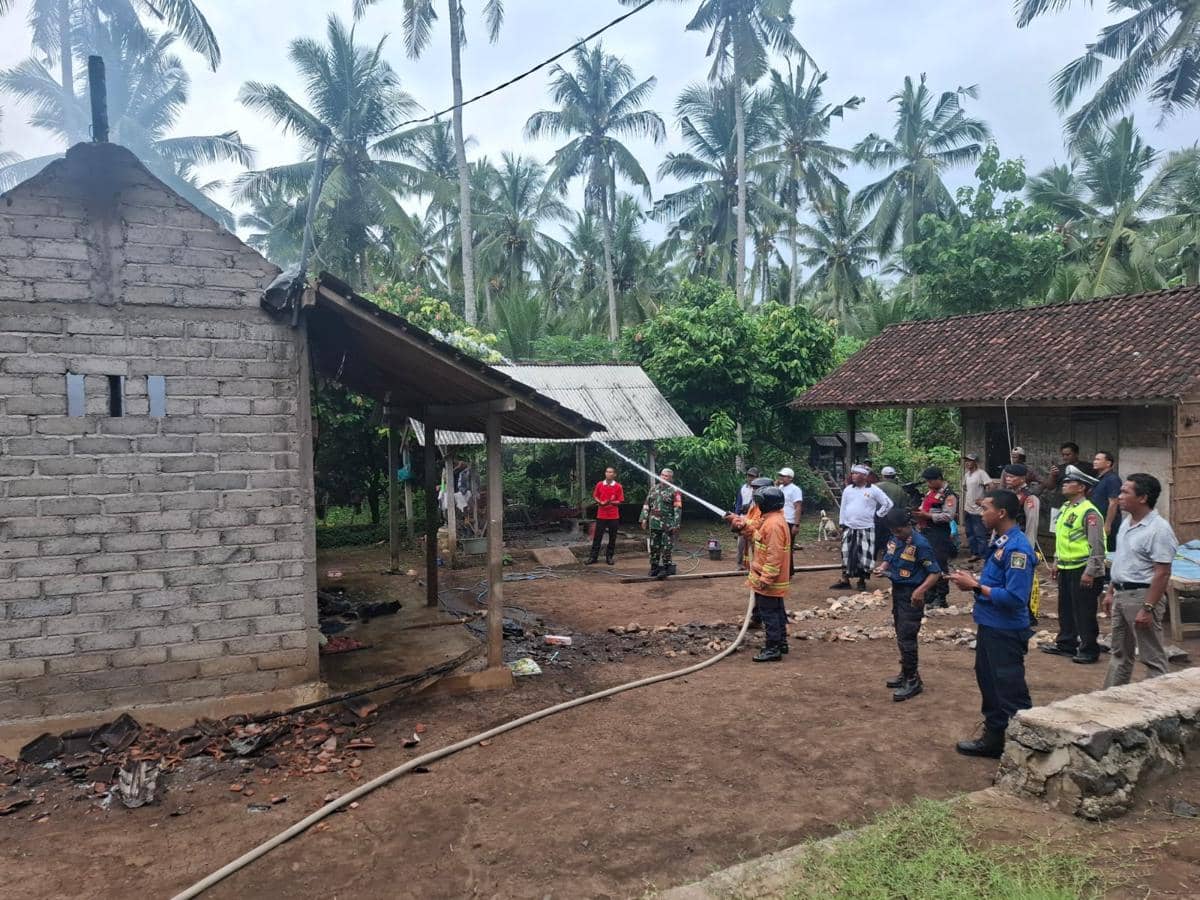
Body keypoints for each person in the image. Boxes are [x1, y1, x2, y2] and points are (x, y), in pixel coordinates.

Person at [948, 490, 1035, 758]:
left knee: (1010, 690)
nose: (980, 513)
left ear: (1001, 513)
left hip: (1006, 630)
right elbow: (995, 584)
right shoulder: (1000, 541)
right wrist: (975, 583)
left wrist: (976, 586)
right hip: (990, 624)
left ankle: (1026, 752)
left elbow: (1015, 598)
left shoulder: (1017, 548)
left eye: (985, 508)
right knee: (989, 683)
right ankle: (995, 739)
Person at [1103, 474, 1178, 688]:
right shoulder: (1127, 523)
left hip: (1141, 596)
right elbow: (1122, 560)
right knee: (1119, 653)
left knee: (1151, 656)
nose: (1120, 496)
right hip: (1121, 594)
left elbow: (1162, 572)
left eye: (1126, 492)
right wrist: (1110, 591)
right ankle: (1110, 700)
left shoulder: (1159, 529)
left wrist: (1148, 608)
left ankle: (1158, 705)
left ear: (1143, 498)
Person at [873, 506, 941, 702]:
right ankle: (905, 672)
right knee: (901, 634)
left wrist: (920, 591)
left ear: (907, 526)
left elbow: (935, 573)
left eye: (899, 531)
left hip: (913, 595)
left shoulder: (921, 544)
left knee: (908, 636)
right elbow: (889, 555)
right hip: (898, 591)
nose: (896, 534)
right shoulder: (896, 538)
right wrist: (883, 567)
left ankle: (913, 680)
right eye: (894, 531)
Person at [1040, 467, 1105, 664]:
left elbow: (1097, 544)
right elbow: (1062, 538)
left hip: (1083, 568)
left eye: (1070, 482)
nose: (1064, 484)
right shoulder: (1066, 508)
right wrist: (1056, 561)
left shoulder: (1090, 512)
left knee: (1084, 610)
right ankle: (1066, 643)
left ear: (1082, 488)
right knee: (1066, 608)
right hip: (1067, 567)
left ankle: (1089, 649)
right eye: (1065, 481)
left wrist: (1091, 571)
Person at [727, 486, 792, 662]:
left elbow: (774, 554)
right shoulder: (773, 520)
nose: (758, 505)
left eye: (760, 502)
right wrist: (741, 526)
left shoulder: (773, 525)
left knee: (769, 614)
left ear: (767, 503)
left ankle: (773, 649)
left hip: (770, 580)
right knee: (776, 611)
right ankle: (781, 643)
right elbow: (757, 537)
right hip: (773, 579)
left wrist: (766, 578)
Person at [832, 464, 893, 591]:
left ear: (864, 476)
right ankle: (845, 579)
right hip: (849, 526)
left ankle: (862, 580)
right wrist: (842, 523)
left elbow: (888, 503)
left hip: (866, 527)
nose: (853, 475)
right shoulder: (848, 490)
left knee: (865, 554)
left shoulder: (873, 490)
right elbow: (843, 507)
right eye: (853, 473)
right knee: (846, 553)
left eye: (856, 473)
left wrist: (878, 515)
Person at [1002, 462, 1044, 624]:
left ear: (1022, 478)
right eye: (1007, 476)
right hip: (1008, 542)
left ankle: (1026, 614)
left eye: (1012, 476)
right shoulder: (1010, 495)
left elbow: (1031, 525)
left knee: (1021, 579)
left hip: (1021, 544)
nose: (1008, 479)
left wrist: (1028, 547)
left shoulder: (1029, 497)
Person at [912, 467, 958, 609]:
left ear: (939, 478)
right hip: (926, 531)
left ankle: (941, 596)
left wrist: (929, 516)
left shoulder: (949, 495)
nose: (929, 484)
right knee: (926, 562)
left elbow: (948, 516)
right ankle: (930, 594)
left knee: (939, 563)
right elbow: (923, 506)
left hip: (939, 533)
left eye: (931, 481)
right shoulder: (930, 492)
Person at [640, 468, 682, 579]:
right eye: (662, 475)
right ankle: (654, 567)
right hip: (654, 524)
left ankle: (666, 568)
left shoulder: (675, 491)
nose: (663, 477)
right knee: (654, 546)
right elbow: (646, 505)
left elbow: (677, 509)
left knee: (666, 547)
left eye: (666, 476)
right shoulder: (653, 489)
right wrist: (644, 519)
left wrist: (676, 524)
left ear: (671, 478)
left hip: (667, 525)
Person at [587, 466, 624, 566]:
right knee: (597, 537)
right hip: (601, 515)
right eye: (607, 472)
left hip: (613, 516)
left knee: (612, 538)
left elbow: (620, 501)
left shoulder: (618, 486)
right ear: (605, 473)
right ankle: (593, 557)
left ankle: (609, 557)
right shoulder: (600, 484)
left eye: (611, 472)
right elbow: (595, 496)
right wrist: (600, 502)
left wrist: (611, 502)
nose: (608, 473)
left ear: (614, 474)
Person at [961, 454, 991, 562]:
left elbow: (991, 485)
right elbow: (965, 487)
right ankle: (975, 553)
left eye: (970, 461)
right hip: (968, 508)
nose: (967, 463)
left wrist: (985, 500)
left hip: (978, 510)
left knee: (979, 533)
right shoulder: (967, 475)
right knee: (970, 533)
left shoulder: (981, 474)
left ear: (975, 462)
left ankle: (983, 555)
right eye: (966, 461)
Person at [1091, 451, 1122, 553]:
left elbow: (1113, 502)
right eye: (1095, 459)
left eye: (1098, 459)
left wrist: (1107, 524)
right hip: (1097, 521)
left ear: (1108, 463)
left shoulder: (1112, 479)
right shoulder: (1098, 478)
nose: (1094, 461)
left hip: (1108, 523)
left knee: (1108, 551)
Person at [876, 466, 909, 558]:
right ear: (894, 476)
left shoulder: (875, 487)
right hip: (893, 518)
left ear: (882, 475)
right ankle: (888, 556)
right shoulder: (899, 489)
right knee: (891, 538)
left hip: (877, 517)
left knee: (876, 536)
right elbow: (903, 506)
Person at [777, 467, 804, 575]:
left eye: (783, 476)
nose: (781, 478)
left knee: (788, 547)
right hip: (780, 520)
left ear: (790, 478)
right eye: (781, 476)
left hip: (789, 521)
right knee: (780, 546)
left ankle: (788, 571)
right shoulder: (780, 488)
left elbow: (798, 507)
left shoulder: (795, 489)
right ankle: (783, 570)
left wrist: (796, 524)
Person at [733, 468, 761, 570]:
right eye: (749, 476)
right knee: (740, 543)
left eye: (753, 476)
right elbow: (738, 503)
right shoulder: (743, 488)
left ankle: (754, 565)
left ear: (758, 477)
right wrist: (736, 518)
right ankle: (739, 564)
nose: (750, 478)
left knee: (754, 543)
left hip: (754, 519)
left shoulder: (760, 489)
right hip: (743, 518)